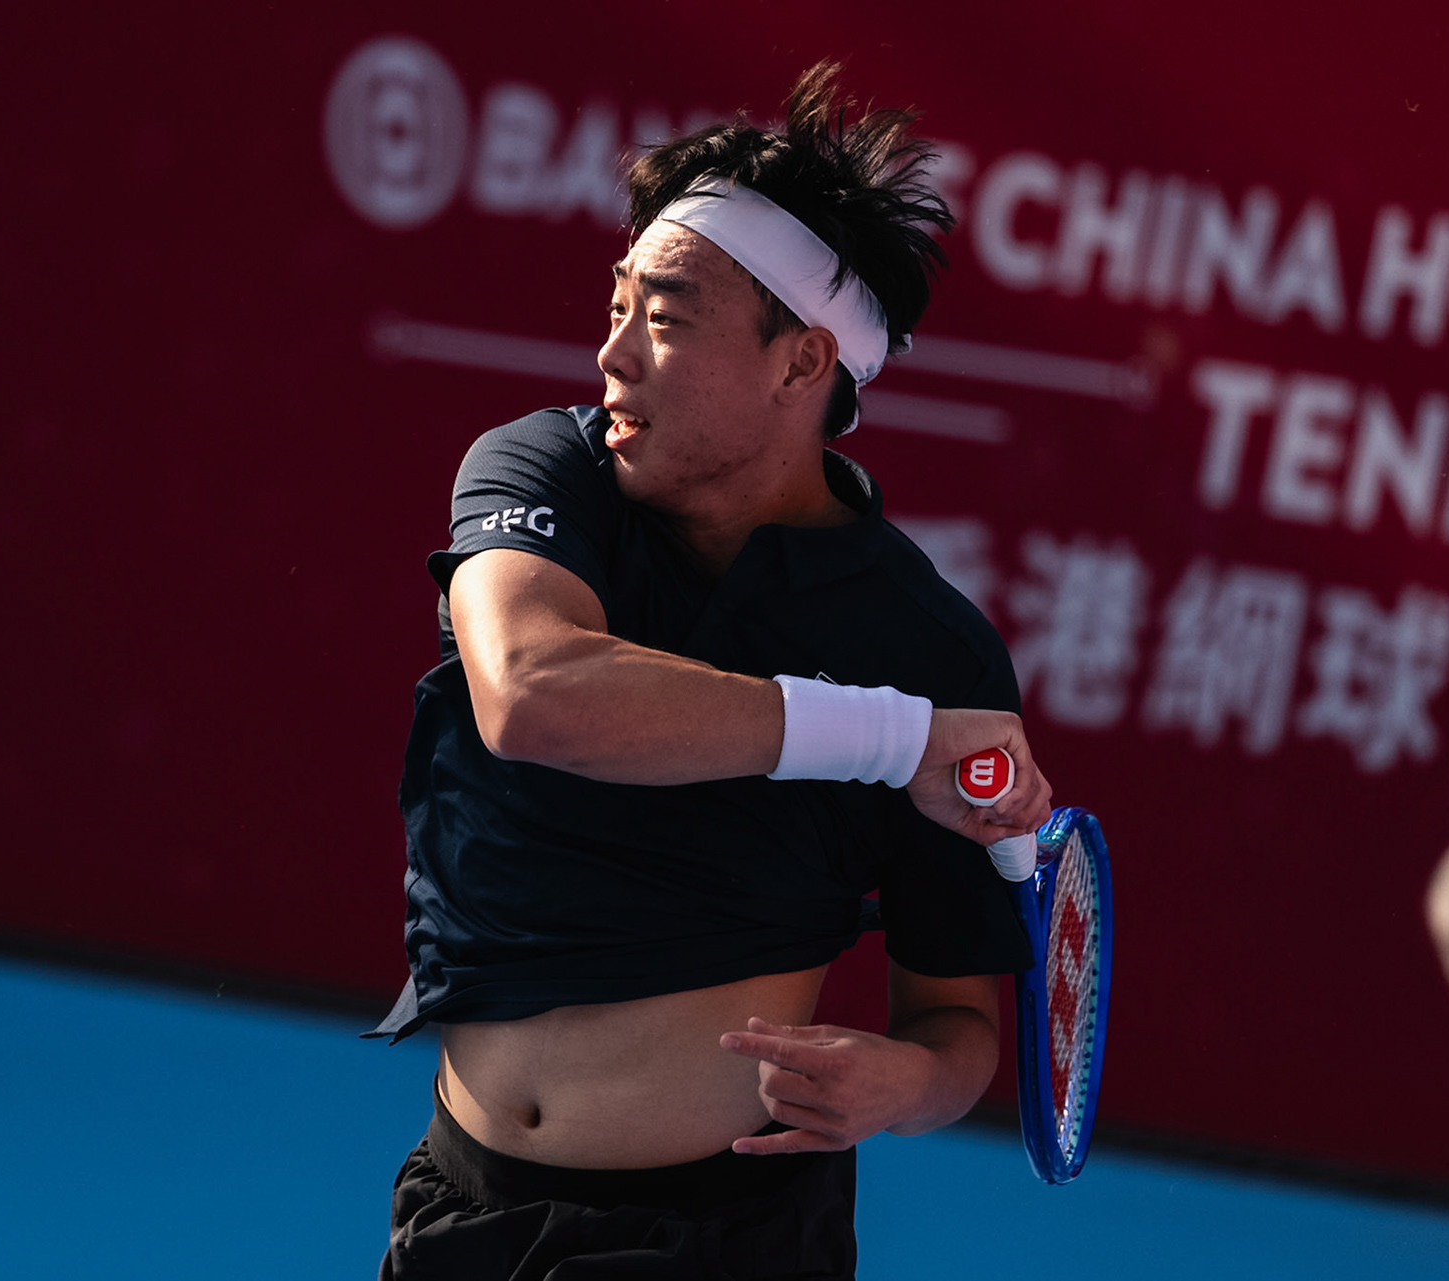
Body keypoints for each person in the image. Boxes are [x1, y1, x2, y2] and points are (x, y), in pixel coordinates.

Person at [373, 62, 1054, 1280]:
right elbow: (534, 696)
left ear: (803, 366)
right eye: (618, 305)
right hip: (461, 1207)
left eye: (667, 317)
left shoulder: (929, 649)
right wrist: (892, 741)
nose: (612, 355)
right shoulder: (542, 475)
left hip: (722, 1245)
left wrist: (905, 1083)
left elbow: (958, 1032)